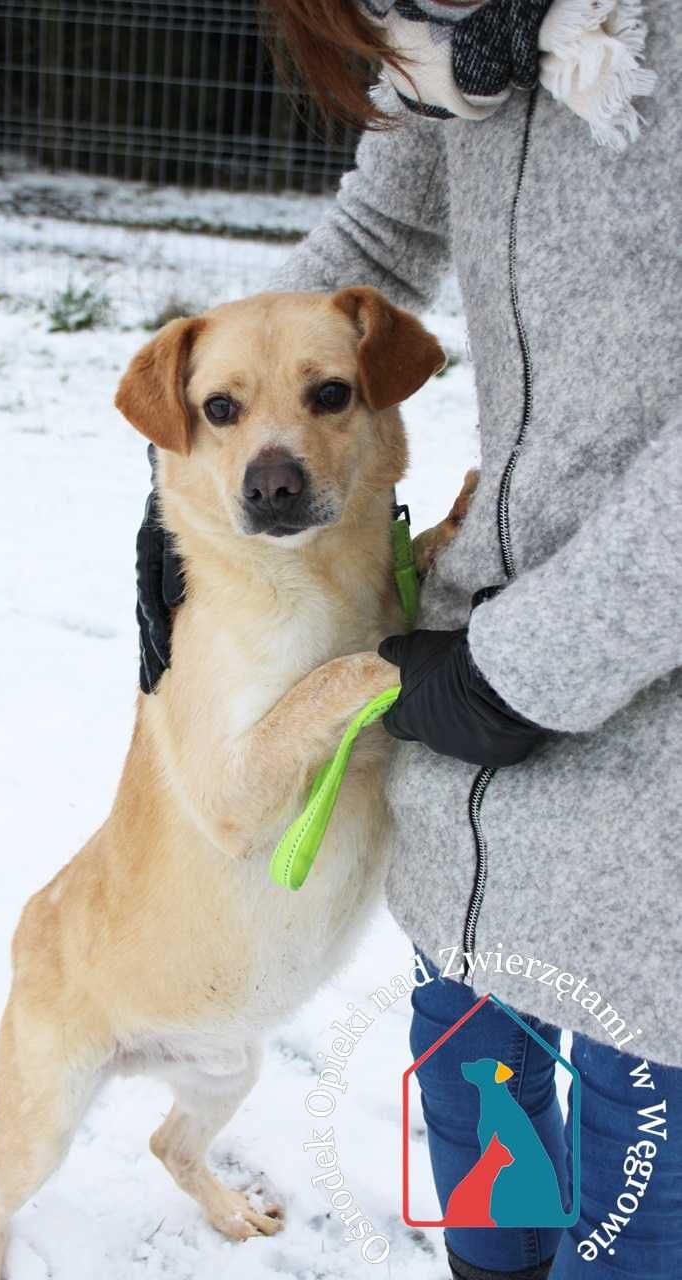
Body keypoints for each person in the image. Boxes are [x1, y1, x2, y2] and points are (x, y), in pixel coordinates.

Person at [134, 2, 682, 1276]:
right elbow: (379, 237)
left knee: (630, 1121)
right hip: (471, 662)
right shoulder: (451, 36)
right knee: (475, 1058)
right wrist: (204, 448)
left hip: (640, 705)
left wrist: (533, 665)